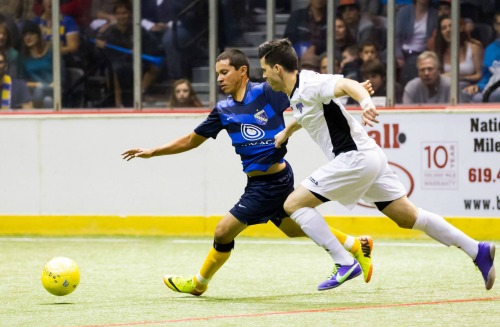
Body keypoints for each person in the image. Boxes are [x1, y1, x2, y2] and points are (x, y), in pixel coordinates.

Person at [122, 48, 375, 296]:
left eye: (224, 72)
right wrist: (153, 151)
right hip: (265, 181)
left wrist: (349, 90)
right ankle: (356, 244)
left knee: (222, 231)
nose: (219, 78)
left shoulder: (268, 92)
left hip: (270, 183)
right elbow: (191, 140)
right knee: (293, 227)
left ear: (242, 71)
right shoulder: (223, 110)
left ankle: (199, 283)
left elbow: (310, 95)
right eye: (217, 74)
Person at [258, 38, 495, 291]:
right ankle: (477, 250)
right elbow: (305, 113)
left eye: (264, 70)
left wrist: (366, 102)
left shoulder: (310, 83)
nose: (263, 77)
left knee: (293, 204)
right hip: (369, 157)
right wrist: (287, 132)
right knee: (408, 217)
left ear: (277, 68)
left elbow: (347, 84)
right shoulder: (297, 92)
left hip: (354, 158)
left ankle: (344, 261)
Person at [433, 15, 484, 89]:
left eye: (451, 26)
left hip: (468, 86)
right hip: (445, 87)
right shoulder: (439, 50)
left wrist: (461, 77)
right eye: (444, 28)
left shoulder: (474, 47)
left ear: (460, 28)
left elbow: (480, 75)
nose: (448, 30)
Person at [395, 0, 438, 86]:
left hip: (423, 52)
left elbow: (434, 37)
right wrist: (399, 56)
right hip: (403, 51)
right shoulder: (404, 12)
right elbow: (396, 37)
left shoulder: (434, 14)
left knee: (414, 63)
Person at [463, 12, 500, 103]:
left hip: (495, 93)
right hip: (493, 88)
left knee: (493, 97)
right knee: (466, 95)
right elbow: (487, 76)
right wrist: (477, 86)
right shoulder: (490, 49)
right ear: (495, 27)